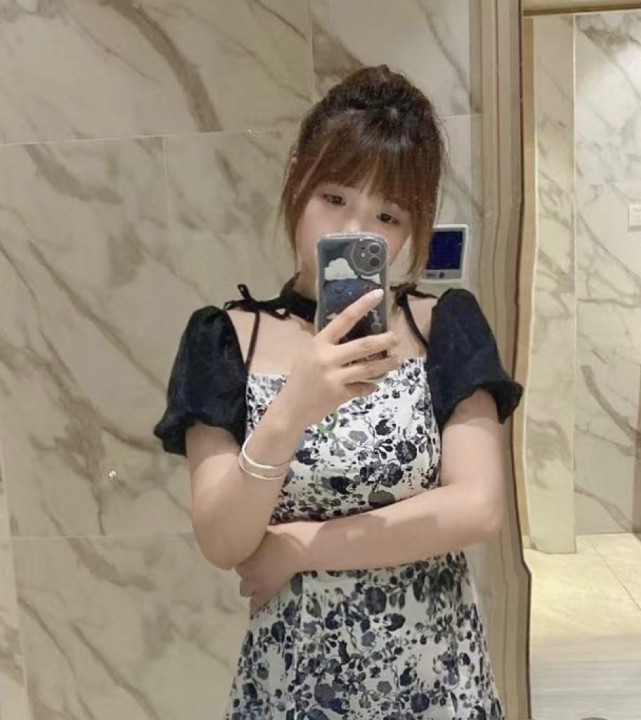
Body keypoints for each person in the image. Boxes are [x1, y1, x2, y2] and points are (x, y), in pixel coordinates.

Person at [154, 64, 523, 720]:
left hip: (437, 681)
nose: (353, 229)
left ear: (411, 229)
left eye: (387, 214)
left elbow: (479, 507)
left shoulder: (444, 326)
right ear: (297, 178)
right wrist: (293, 406)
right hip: (295, 685)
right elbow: (223, 541)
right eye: (333, 196)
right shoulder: (224, 340)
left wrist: (300, 547)